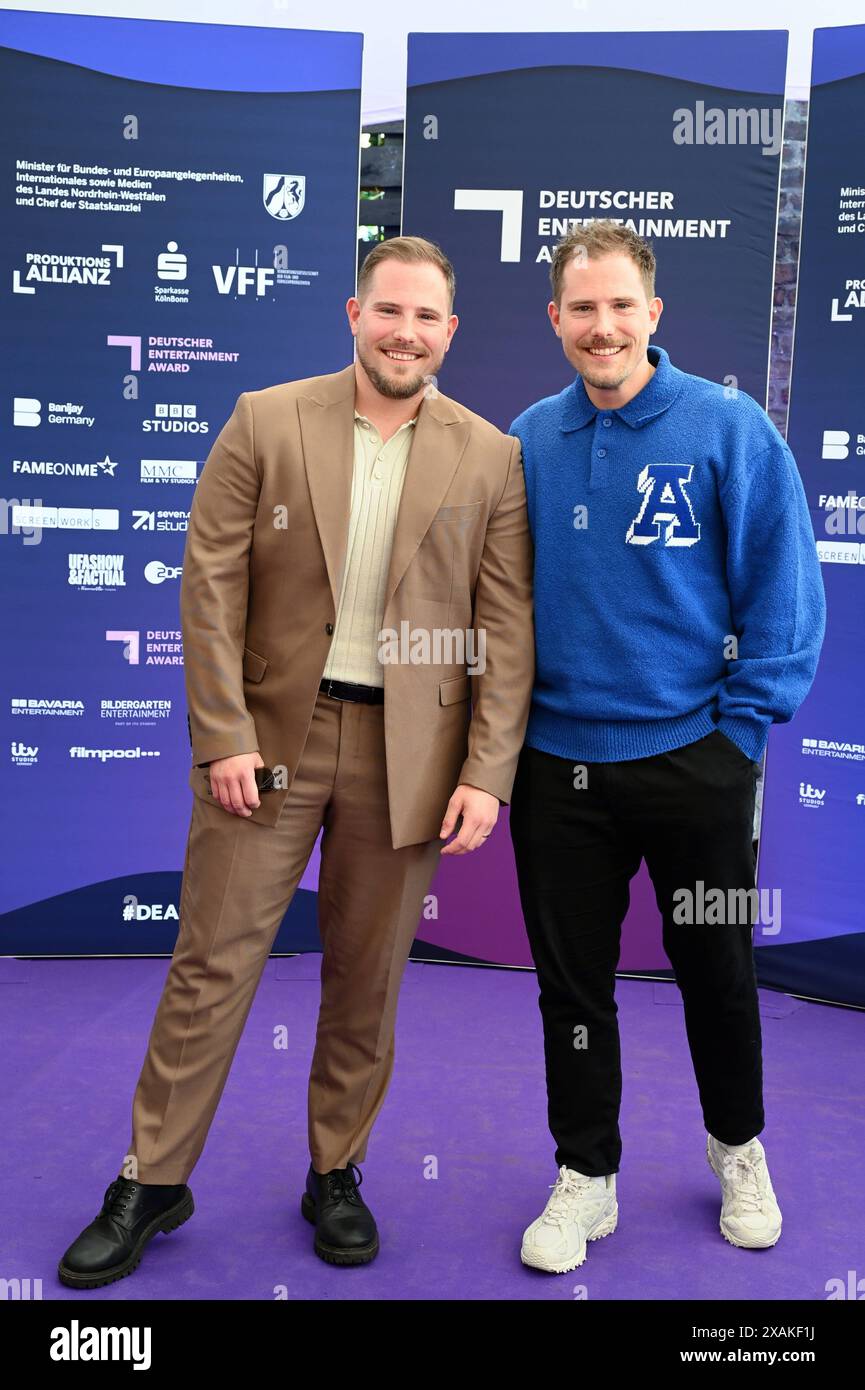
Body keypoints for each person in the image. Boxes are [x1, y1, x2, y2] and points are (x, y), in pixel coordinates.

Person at [58, 235, 534, 1288]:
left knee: (367, 982)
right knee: (210, 964)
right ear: (352, 314)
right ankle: (153, 1177)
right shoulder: (264, 420)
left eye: (426, 317)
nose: (405, 331)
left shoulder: (490, 456)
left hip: (406, 757)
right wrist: (223, 734)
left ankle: (336, 1172)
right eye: (388, 310)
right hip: (268, 743)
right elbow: (209, 584)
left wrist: (485, 770)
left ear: (449, 333)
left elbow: (502, 627)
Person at [507, 220, 825, 1274]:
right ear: (555, 320)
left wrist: (741, 733)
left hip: (696, 760)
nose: (602, 327)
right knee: (574, 988)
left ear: (654, 312)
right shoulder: (525, 444)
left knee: (719, 973)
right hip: (559, 771)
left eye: (619, 306)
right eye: (581, 309)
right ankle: (585, 1173)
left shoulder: (730, 429)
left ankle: (738, 1151)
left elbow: (783, 588)